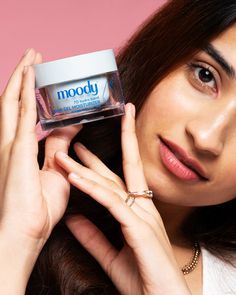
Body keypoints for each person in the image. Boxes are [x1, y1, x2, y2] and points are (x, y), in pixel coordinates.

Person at [0, 0, 236, 294]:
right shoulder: (20, 208)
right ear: (159, 51)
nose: (206, 138)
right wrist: (17, 239)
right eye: (205, 75)